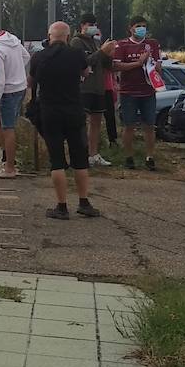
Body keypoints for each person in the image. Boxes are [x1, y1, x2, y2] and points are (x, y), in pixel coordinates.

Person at [31, 21, 102, 220]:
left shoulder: (39, 57)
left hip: (49, 111)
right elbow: (85, 73)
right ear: (68, 37)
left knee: (57, 160)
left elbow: (32, 82)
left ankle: (61, 206)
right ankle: (84, 202)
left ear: (49, 36)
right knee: (79, 158)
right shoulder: (77, 55)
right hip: (74, 111)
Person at [111, 16, 162, 171]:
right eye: (138, 26)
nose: (142, 29)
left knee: (149, 126)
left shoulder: (152, 44)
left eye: (144, 26)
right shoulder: (122, 45)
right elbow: (117, 67)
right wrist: (138, 63)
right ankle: (128, 156)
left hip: (148, 91)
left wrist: (150, 63)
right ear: (131, 28)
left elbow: (159, 68)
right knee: (129, 126)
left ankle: (150, 157)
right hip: (128, 91)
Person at [0, 14, 29, 179]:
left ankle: (9, 168)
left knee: (8, 129)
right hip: (20, 87)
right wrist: (16, 71)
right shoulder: (13, 39)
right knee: (6, 128)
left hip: (7, 92)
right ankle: (7, 162)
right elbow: (26, 56)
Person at [72, 14, 117, 167]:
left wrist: (109, 53)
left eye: (94, 24)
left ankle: (94, 153)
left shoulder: (96, 42)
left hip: (99, 87)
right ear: (82, 25)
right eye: (89, 24)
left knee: (97, 121)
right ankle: (81, 154)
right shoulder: (76, 42)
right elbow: (84, 62)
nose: (92, 27)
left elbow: (107, 65)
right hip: (84, 88)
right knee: (81, 123)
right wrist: (102, 52)